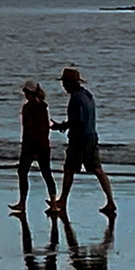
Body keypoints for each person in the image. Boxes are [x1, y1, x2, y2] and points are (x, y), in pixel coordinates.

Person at [57, 65, 116, 215]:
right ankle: (110, 201)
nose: (63, 86)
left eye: (64, 83)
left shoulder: (76, 98)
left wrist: (61, 126)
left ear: (70, 83)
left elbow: (77, 120)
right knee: (97, 169)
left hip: (79, 139)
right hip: (91, 136)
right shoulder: (88, 95)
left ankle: (63, 200)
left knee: (69, 169)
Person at [13, 79, 59, 217]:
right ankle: (53, 202)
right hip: (43, 145)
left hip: (31, 145)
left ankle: (22, 202)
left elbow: (29, 130)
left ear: (28, 92)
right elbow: (44, 129)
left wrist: (31, 149)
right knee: (47, 174)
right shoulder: (43, 107)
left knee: (23, 172)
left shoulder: (28, 108)